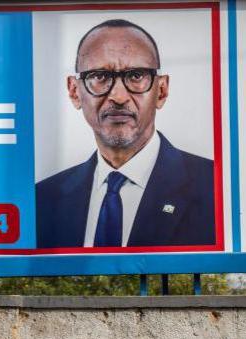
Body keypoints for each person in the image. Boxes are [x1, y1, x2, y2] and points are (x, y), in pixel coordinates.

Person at [35, 19, 216, 249]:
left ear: (161, 90)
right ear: (74, 91)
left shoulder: (216, 188)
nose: (118, 96)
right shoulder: (41, 200)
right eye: (100, 76)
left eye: (136, 76)